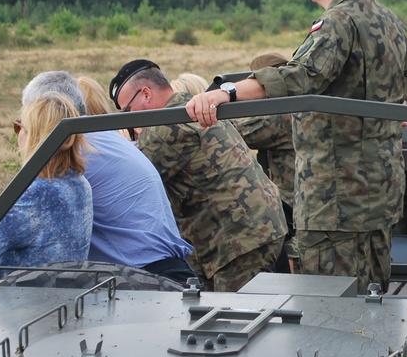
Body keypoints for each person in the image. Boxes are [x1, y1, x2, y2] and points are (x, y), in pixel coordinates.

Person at [185, 0, 407, 293]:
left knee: (328, 310)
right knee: (372, 300)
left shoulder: (339, 20)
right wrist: (401, 105)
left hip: (335, 197)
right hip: (380, 191)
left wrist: (227, 93)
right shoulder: (385, 17)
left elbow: (300, 76)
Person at [111, 60, 287, 291]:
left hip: (238, 238)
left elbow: (129, 179)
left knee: (235, 318)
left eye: (127, 111)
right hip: (247, 230)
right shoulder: (184, 106)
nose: (128, 119)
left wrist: (123, 146)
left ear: (146, 93)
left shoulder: (169, 125)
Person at [23, 71, 197, 284]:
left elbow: (27, 217)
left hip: (145, 279)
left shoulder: (74, 148)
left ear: (44, 111)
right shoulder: (106, 137)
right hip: (169, 271)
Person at [0, 93, 93, 275]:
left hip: (26, 298)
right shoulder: (79, 183)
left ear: (35, 137)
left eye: (20, 128)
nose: (18, 135)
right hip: (63, 294)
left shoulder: (39, 194)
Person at [231, 53, 299, 273]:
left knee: (290, 257)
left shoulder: (284, 115)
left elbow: (241, 133)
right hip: (295, 204)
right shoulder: (295, 107)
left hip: (291, 207)